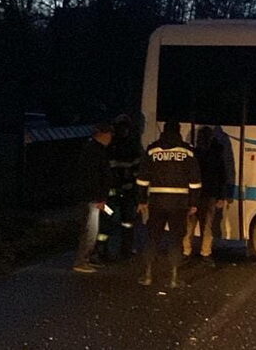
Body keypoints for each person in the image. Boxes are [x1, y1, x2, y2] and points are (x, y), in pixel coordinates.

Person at [136, 119, 201, 288]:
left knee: (153, 237)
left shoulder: (153, 149)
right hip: (179, 203)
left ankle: (148, 275)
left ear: (163, 131)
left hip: (156, 201)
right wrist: (193, 203)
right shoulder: (187, 151)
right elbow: (195, 181)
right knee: (176, 238)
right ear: (178, 131)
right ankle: (174, 278)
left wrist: (142, 200)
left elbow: (143, 178)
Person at [99, 114, 143, 260]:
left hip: (118, 192)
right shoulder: (130, 145)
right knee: (112, 221)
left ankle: (114, 250)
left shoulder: (112, 145)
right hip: (118, 192)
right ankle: (105, 250)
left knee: (121, 222)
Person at [182, 126, 227, 267]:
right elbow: (222, 177)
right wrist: (221, 196)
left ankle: (186, 252)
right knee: (207, 226)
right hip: (209, 195)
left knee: (190, 225)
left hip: (195, 195)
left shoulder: (193, 154)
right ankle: (205, 253)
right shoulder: (216, 155)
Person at [73, 122, 114, 273]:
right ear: (103, 134)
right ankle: (81, 261)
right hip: (92, 198)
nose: (111, 138)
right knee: (90, 230)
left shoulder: (92, 149)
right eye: (110, 135)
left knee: (91, 230)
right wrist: (100, 197)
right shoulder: (95, 151)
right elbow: (94, 176)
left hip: (91, 196)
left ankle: (87, 258)